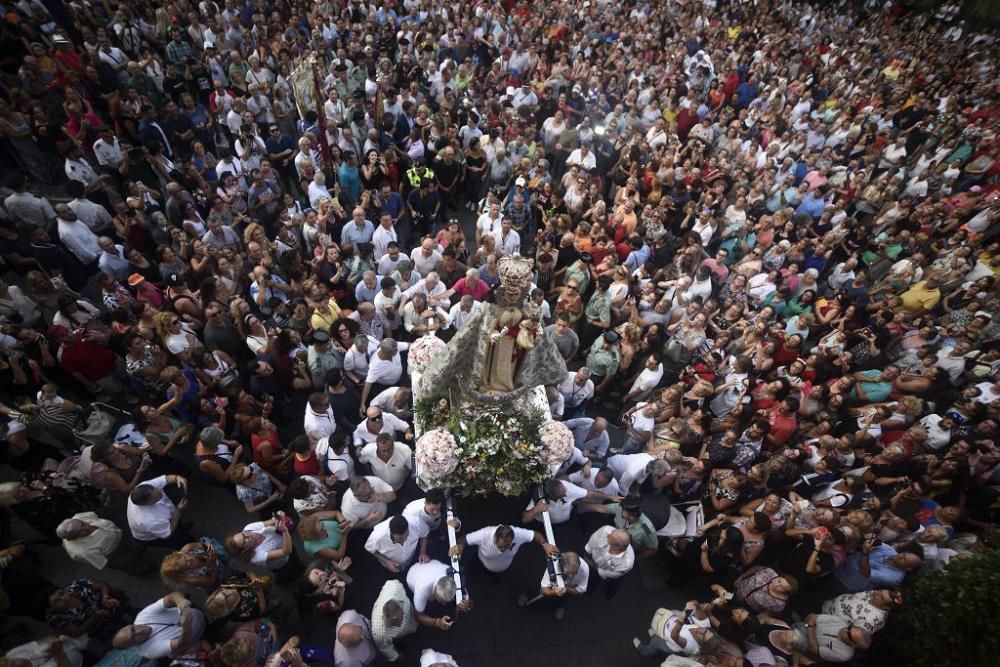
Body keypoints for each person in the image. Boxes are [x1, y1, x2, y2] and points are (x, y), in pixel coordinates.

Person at [111, 592, 205, 660]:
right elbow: (181, 642)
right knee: (175, 653)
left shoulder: (143, 616)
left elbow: (171, 596)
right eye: (134, 638)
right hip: (198, 633)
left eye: (133, 629)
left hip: (195, 613)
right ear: (134, 646)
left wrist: (181, 602)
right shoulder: (148, 652)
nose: (138, 631)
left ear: (130, 625)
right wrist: (186, 625)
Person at [451, 524, 558, 577]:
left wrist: (545, 544)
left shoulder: (518, 534)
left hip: (502, 568)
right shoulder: (484, 534)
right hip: (480, 562)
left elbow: (535, 534)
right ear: (495, 538)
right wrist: (460, 546)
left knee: (495, 578)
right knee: (474, 574)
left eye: (507, 546)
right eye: (500, 546)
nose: (503, 549)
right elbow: (464, 539)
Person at [516, 550, 589, 621]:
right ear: (562, 564)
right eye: (568, 572)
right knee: (537, 588)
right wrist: (554, 592)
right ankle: (528, 595)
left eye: (575, 572)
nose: (571, 576)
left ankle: (560, 606)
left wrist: (566, 589)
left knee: (565, 596)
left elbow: (581, 590)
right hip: (552, 581)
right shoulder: (553, 567)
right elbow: (543, 590)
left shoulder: (585, 568)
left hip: (568, 587)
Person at [126, 475, 192, 547]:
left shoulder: (144, 488)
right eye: (157, 497)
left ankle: (181, 530)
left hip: (165, 518)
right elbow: (169, 533)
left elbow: (166, 479)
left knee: (178, 526)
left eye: (157, 490)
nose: (160, 493)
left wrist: (177, 478)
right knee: (183, 542)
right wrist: (179, 511)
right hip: (156, 535)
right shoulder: (151, 520)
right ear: (148, 504)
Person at [371, 579, 418, 661]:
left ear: (401, 608)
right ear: (386, 619)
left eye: (400, 619)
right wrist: (396, 656)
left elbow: (393, 583)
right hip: (400, 636)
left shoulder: (395, 588)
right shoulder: (379, 633)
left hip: (412, 617)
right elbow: (385, 648)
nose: (399, 625)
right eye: (394, 624)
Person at [584, 526, 635, 599]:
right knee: (592, 578)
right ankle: (590, 587)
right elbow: (592, 541)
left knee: (614, 582)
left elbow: (608, 574)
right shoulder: (606, 530)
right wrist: (587, 555)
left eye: (610, 536)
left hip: (607, 572)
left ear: (617, 547)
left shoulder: (626, 563)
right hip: (594, 562)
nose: (607, 535)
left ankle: (612, 591)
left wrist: (593, 566)